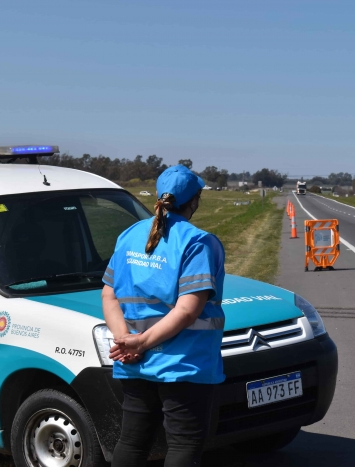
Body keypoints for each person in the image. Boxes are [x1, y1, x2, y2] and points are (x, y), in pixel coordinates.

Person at [102, 165, 226, 467]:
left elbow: (108, 294)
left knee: (132, 441)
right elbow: (187, 310)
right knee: (184, 445)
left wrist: (126, 341)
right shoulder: (197, 242)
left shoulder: (129, 235)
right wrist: (140, 343)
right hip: (184, 364)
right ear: (193, 200)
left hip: (134, 361)